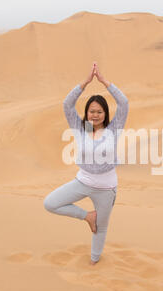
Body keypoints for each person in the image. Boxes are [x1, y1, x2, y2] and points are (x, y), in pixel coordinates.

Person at [44, 62, 129, 265]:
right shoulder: (78, 128)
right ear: (86, 113)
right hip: (82, 182)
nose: (95, 115)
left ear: (105, 114)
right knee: (50, 203)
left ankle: (94, 261)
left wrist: (104, 81)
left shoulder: (114, 129)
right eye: (92, 111)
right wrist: (85, 83)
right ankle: (86, 216)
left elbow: (124, 103)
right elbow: (66, 104)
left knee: (101, 227)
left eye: (99, 111)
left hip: (106, 189)